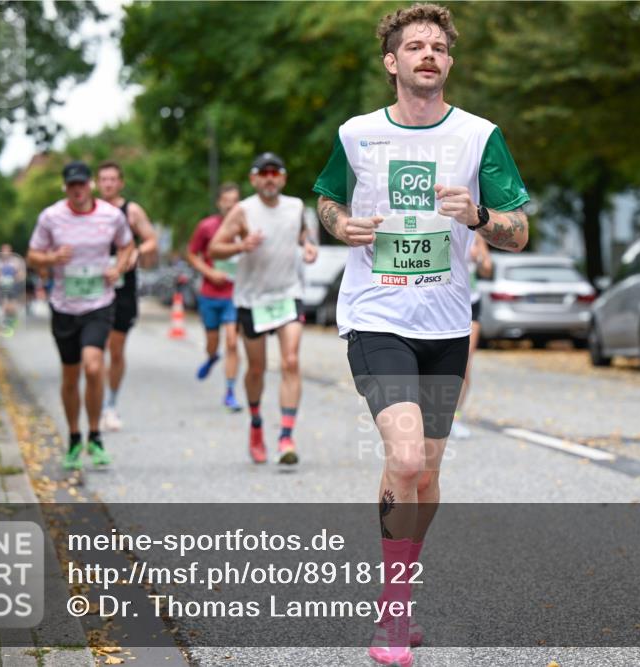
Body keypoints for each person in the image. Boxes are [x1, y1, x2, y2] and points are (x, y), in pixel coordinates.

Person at [312, 4, 528, 665]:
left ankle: (396, 590)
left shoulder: (479, 137)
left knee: (426, 472)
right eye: (414, 46)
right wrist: (339, 223)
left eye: (438, 46)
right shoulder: (356, 135)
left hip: (443, 327)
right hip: (377, 316)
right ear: (392, 61)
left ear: (449, 63)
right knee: (405, 458)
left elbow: (519, 229)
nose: (427, 54)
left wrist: (483, 215)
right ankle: (395, 609)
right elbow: (326, 199)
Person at [210, 152, 318, 465]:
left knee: (291, 361)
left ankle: (286, 435)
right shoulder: (242, 210)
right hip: (252, 299)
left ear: (283, 178)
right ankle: (256, 423)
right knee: (256, 368)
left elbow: (301, 235)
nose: (270, 178)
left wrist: (308, 247)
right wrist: (240, 246)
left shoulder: (296, 206)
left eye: (276, 172)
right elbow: (215, 247)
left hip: (287, 294)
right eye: (263, 173)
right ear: (254, 179)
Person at [27, 161, 134, 470]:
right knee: (71, 375)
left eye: (82, 184)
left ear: (91, 185)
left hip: (99, 303)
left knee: (93, 365)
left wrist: (118, 267)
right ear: (65, 187)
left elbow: (127, 246)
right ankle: (74, 437)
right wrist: (50, 257)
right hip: (64, 306)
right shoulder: (50, 217)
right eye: (72, 185)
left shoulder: (111, 216)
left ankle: (96, 436)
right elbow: (32, 255)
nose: (77, 190)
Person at [95, 161, 159, 431]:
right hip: (95, 287)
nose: (108, 184)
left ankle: (110, 405)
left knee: (116, 349)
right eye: (104, 179)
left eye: (113, 179)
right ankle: (95, 404)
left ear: (121, 183)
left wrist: (136, 252)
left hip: (123, 288)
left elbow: (152, 239)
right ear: (98, 184)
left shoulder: (131, 210)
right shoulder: (91, 210)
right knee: (94, 349)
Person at [187, 182, 243, 411]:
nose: (230, 208)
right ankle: (211, 358)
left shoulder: (245, 228)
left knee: (232, 341)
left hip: (234, 293)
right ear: (219, 203)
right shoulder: (207, 227)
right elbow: (191, 254)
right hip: (210, 294)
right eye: (226, 203)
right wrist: (209, 272)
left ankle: (230, 391)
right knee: (213, 342)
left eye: (235, 203)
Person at [450, 234, 492, 438]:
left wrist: (480, 257)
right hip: (446, 302)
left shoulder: (476, 234)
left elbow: (487, 269)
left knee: (464, 365)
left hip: (470, 302)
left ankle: (455, 417)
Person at [0, 243, 26, 335]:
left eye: (6, 250)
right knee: (4, 306)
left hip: (14, 287)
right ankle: (7, 327)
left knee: (12, 307)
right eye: (3, 251)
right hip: (2, 287)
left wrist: (14, 279)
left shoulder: (16, 261)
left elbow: (22, 274)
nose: (4, 253)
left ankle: (12, 322)